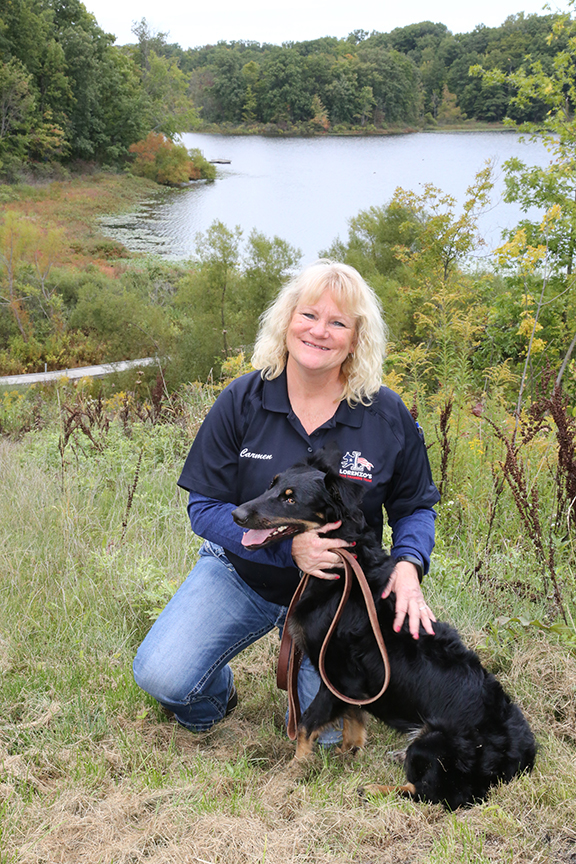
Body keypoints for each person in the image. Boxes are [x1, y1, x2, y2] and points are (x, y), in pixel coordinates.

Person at [133, 260, 440, 738]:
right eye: (309, 315)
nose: (320, 332)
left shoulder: (385, 413)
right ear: (286, 321)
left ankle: (313, 680)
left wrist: (408, 565)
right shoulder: (243, 398)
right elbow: (204, 507)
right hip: (243, 571)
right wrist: (284, 548)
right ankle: (219, 694)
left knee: (320, 740)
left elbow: (415, 506)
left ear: (356, 339)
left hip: (339, 594)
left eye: (338, 322)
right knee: (165, 677)